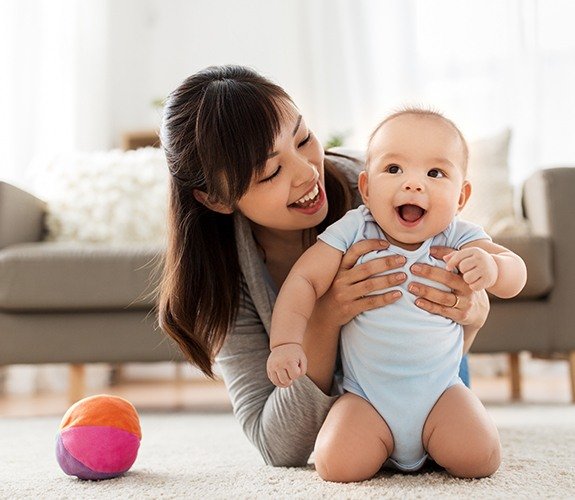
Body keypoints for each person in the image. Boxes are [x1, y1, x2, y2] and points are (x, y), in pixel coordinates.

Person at [157, 65, 491, 472]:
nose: (307, 172)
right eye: (272, 171)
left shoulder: (383, 195)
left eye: (303, 138)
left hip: (436, 383)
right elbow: (277, 446)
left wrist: (473, 314)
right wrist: (324, 318)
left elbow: (448, 322)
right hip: (357, 417)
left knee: (469, 447)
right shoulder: (222, 277)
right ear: (216, 199)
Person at [267, 108, 527, 481]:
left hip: (441, 393)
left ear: (461, 197)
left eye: (435, 173)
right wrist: (285, 343)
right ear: (367, 188)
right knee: (336, 465)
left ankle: (434, 440)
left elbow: (515, 272)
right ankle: (382, 444)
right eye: (394, 170)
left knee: (480, 458)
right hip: (366, 399)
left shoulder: (458, 235)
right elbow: (303, 281)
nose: (414, 184)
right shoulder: (354, 229)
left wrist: (494, 267)